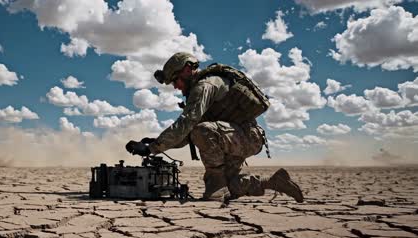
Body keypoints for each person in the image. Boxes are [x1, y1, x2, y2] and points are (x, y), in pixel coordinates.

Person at [126, 52, 303, 203]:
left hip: (245, 137)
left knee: (202, 131)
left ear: (187, 70)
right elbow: (187, 134)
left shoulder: (205, 86)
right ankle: (274, 181)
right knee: (233, 184)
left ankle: (216, 184)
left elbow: (188, 123)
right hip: (235, 138)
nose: (176, 86)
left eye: (176, 80)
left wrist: (153, 148)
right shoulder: (200, 89)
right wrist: (155, 144)